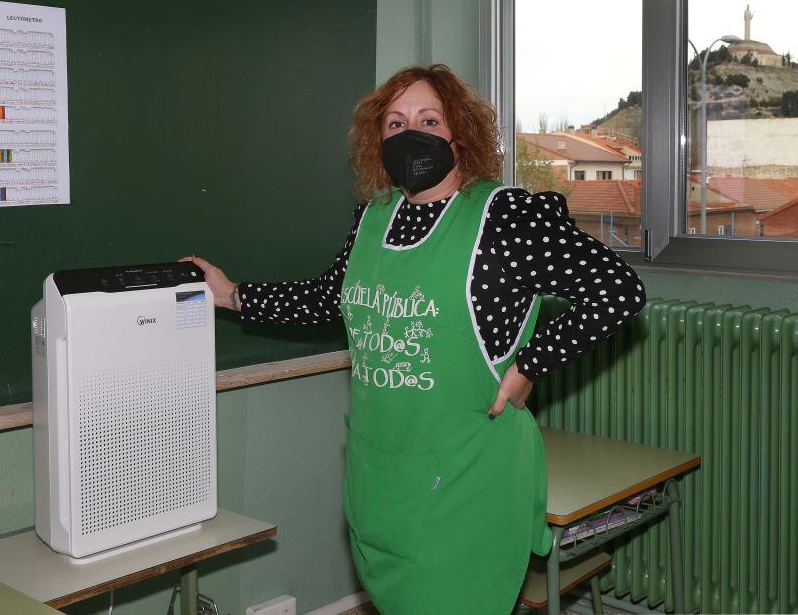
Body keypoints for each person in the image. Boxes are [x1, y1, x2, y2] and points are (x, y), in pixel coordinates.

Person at [185, 64, 644, 614]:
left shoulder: (505, 216)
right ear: (378, 143)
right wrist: (233, 295)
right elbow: (328, 296)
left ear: (461, 134)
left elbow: (617, 289)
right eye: (395, 124)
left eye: (429, 119)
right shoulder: (374, 218)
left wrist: (529, 367)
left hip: (467, 488)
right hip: (382, 483)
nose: (411, 134)